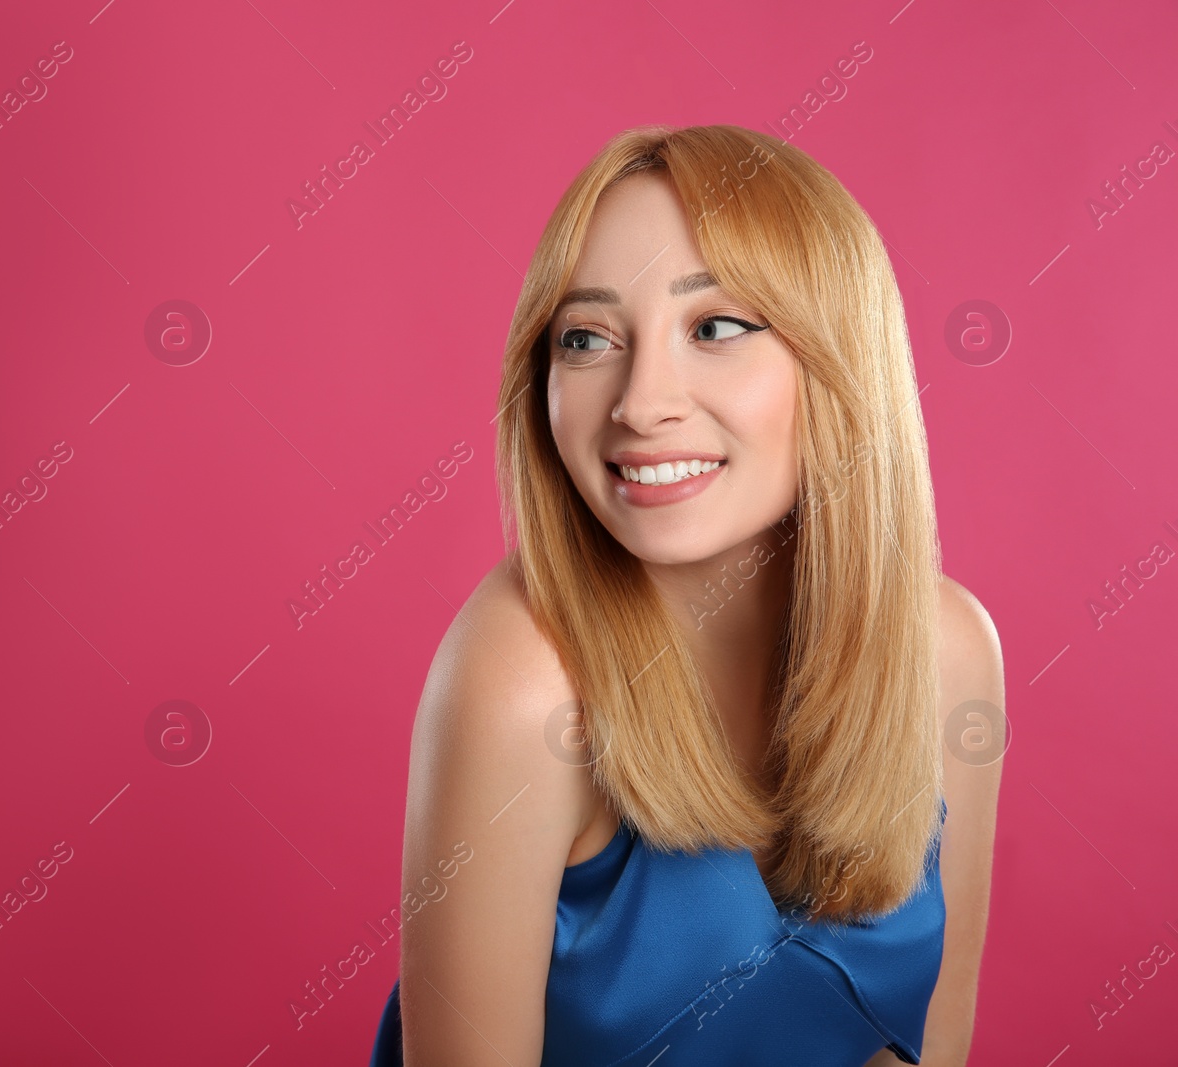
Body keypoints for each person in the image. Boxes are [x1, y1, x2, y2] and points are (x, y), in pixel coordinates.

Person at [368, 124, 1004, 1066]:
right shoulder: (521, 679)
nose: (638, 401)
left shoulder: (949, 650)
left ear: (841, 361)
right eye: (586, 338)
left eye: (714, 327)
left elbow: (928, 1051)